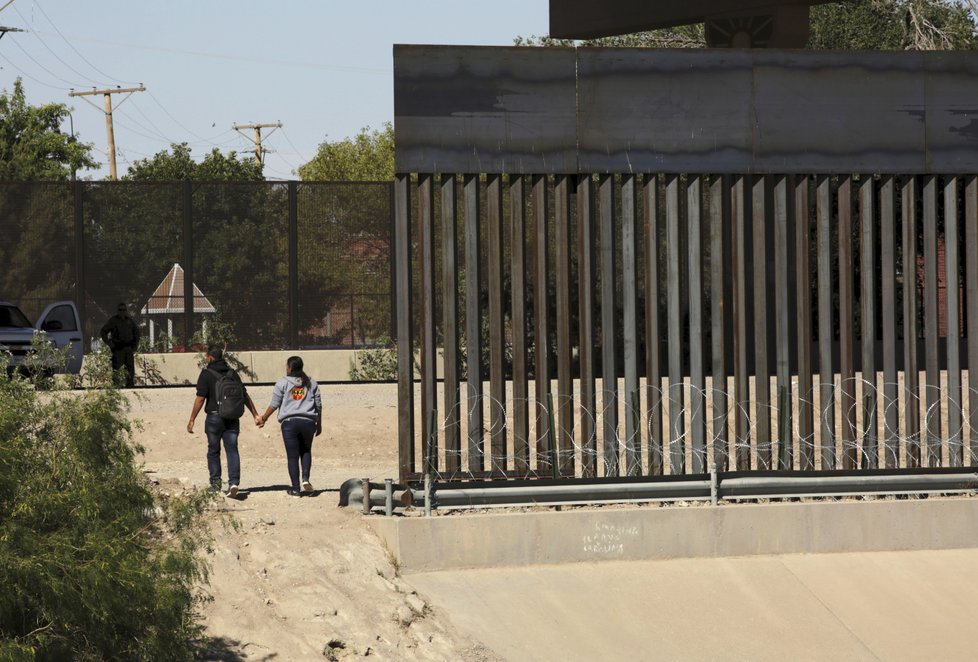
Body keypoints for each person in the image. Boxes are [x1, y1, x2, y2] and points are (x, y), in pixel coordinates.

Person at [187, 346, 262, 497]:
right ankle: (234, 482)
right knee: (232, 449)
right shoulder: (232, 373)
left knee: (214, 451)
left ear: (209, 357)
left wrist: (192, 419)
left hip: (214, 418)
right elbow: (244, 395)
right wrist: (255, 414)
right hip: (232, 418)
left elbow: (200, 398)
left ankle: (215, 484)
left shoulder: (206, 374)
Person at [259, 355, 322, 497]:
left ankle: (295, 488)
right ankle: (305, 479)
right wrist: (319, 424)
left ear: (290, 368)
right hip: (308, 422)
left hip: (289, 424)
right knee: (306, 451)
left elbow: (274, 404)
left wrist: (263, 418)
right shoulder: (311, 382)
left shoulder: (282, 383)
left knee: (292, 456)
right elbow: (318, 405)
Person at [100, 302, 140, 387]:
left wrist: (135, 345)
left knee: (130, 370)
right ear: (117, 311)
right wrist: (109, 343)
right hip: (118, 349)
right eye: (120, 310)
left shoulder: (129, 321)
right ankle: (116, 388)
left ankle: (130, 387)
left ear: (126, 311)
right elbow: (103, 332)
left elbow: (137, 332)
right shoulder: (113, 321)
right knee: (116, 370)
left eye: (124, 310)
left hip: (128, 348)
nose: (122, 311)